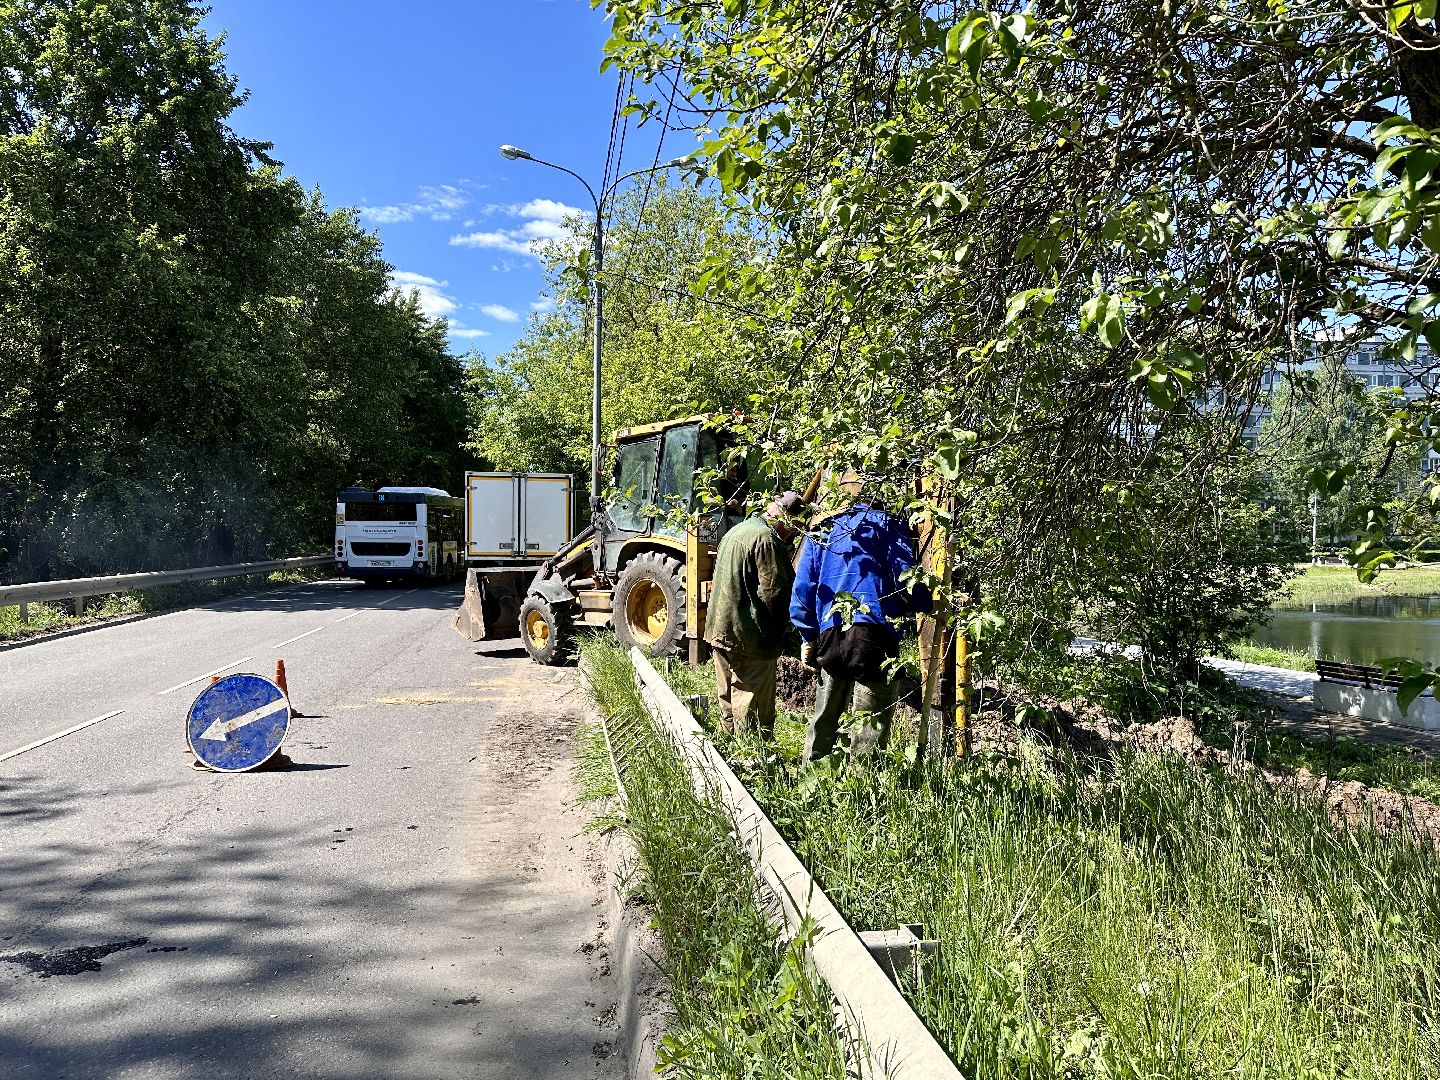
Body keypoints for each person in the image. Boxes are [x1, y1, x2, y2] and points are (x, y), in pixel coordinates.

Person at [790, 495, 931, 761]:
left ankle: (812, 773)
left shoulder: (823, 531)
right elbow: (907, 578)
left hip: (830, 633)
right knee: (870, 727)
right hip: (874, 636)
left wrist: (807, 635)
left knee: (825, 716)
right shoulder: (887, 526)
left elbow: (802, 591)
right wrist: (928, 602)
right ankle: (861, 786)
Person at [704, 491, 805, 738]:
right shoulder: (766, 540)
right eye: (794, 528)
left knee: (727, 698)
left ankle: (728, 753)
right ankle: (753, 762)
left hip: (720, 629)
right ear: (785, 519)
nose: (793, 535)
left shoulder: (737, 531)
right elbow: (775, 593)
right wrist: (791, 630)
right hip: (749, 637)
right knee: (752, 705)